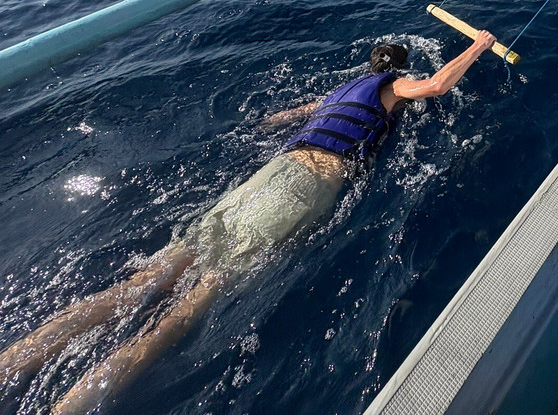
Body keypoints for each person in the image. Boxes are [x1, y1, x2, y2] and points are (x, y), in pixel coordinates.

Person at [0, 32, 496, 414]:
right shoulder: (393, 87)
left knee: (148, 278)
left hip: (268, 174)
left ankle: (12, 361)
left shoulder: (340, 92)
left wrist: (260, 125)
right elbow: (436, 85)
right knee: (194, 300)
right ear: (394, 72)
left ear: (368, 65)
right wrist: (478, 45)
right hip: (302, 187)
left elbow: (281, 119)